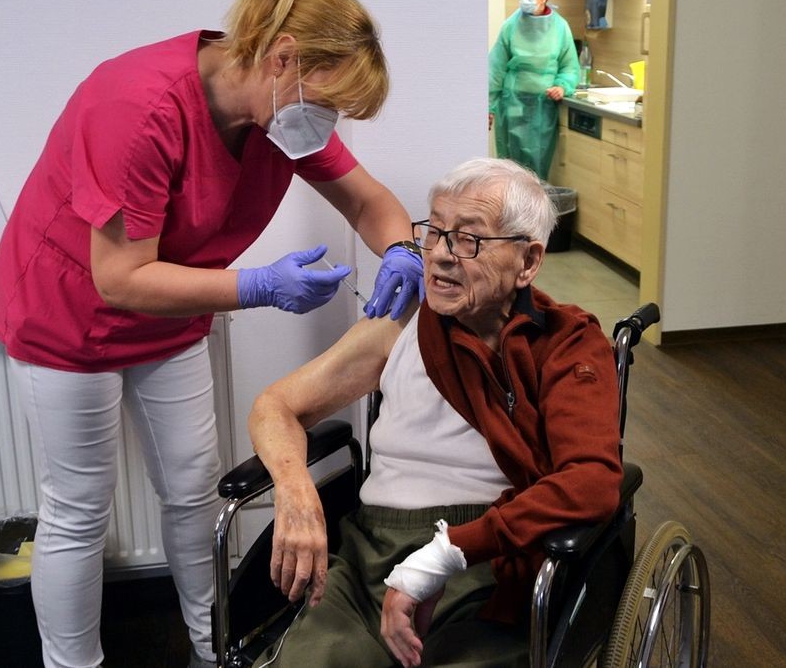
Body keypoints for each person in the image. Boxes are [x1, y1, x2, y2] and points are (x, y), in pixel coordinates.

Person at [0, 0, 423, 666]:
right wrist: (259, 285)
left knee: (193, 488)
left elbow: (368, 200)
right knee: (78, 507)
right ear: (284, 59)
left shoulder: (281, 115)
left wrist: (403, 250)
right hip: (68, 315)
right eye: (330, 105)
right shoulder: (138, 106)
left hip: (173, 311)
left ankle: (213, 650)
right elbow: (121, 278)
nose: (329, 125)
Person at [247, 158, 624, 667]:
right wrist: (296, 493)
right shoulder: (400, 327)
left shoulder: (565, 344)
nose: (442, 256)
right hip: (369, 555)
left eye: (468, 240)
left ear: (528, 262)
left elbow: (592, 482)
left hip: (484, 558)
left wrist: (447, 553)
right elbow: (275, 407)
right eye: (434, 232)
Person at [488, 0, 580, 180]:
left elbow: (569, 66)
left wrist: (562, 86)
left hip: (542, 107)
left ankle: (533, 209)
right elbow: (495, 69)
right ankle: (508, 209)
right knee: (509, 168)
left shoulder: (560, 27)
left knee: (536, 167)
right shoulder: (511, 25)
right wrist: (488, 106)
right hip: (512, 103)